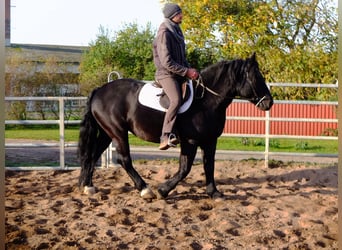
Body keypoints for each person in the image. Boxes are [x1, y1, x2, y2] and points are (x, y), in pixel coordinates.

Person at [153, 3, 199, 150]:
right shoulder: (164, 32)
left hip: (178, 73)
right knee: (176, 100)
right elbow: (166, 62)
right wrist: (186, 72)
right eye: (179, 13)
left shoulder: (176, 30)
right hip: (166, 74)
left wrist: (190, 70)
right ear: (173, 15)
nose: (182, 15)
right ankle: (165, 136)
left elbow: (182, 57)